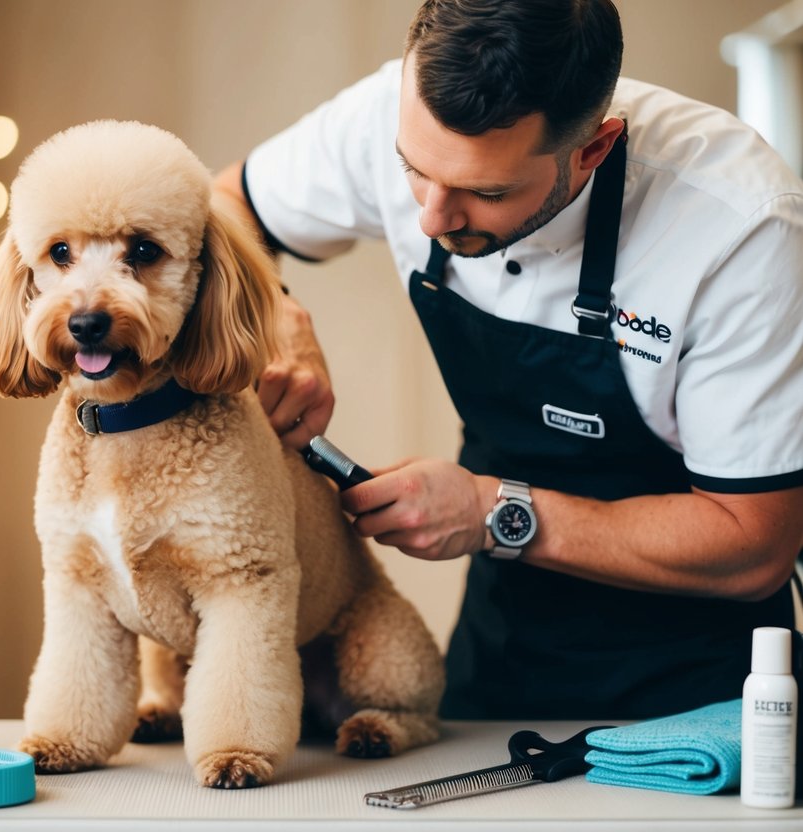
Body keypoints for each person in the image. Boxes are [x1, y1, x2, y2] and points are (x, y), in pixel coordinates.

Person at [214, 0, 803, 720]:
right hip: (502, 647)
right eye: (412, 170)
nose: (431, 216)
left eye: (484, 192)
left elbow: (753, 545)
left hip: (699, 689)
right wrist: (280, 317)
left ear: (593, 148)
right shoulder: (385, 111)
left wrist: (492, 512)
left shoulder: (740, 226)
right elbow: (225, 202)